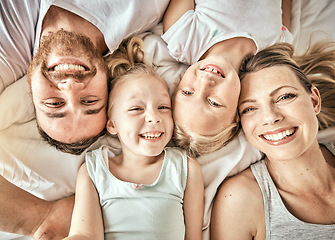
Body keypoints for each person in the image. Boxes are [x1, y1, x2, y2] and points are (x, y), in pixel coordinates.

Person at [0, 1, 169, 239]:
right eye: (90, 101)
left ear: (31, 89)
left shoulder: (7, 50)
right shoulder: (143, 7)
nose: (70, 86)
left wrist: (39, 219)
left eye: (54, 103)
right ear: (108, 83)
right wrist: (43, 218)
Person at [64, 36, 204, 240]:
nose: (154, 117)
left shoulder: (185, 168)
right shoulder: (94, 171)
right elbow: (85, 234)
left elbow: (194, 237)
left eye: (163, 107)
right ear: (112, 124)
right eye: (136, 108)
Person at [211, 42, 335, 239]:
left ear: (314, 101)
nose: (270, 117)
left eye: (285, 97)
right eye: (249, 109)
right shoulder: (240, 200)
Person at [162, 0, 293, 157]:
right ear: (236, 114)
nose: (204, 82)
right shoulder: (276, 50)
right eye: (214, 102)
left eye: (188, 92)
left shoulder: (182, 38)